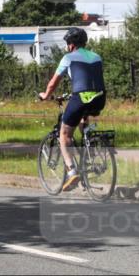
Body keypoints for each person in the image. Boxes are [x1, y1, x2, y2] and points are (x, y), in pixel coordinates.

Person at [38, 27, 106, 192]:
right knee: (83, 117)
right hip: (100, 98)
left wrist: (46, 95)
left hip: (81, 97)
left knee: (64, 134)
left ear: (71, 44)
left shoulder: (68, 58)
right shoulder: (96, 56)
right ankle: (89, 149)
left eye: (68, 43)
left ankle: (72, 171)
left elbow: (53, 83)